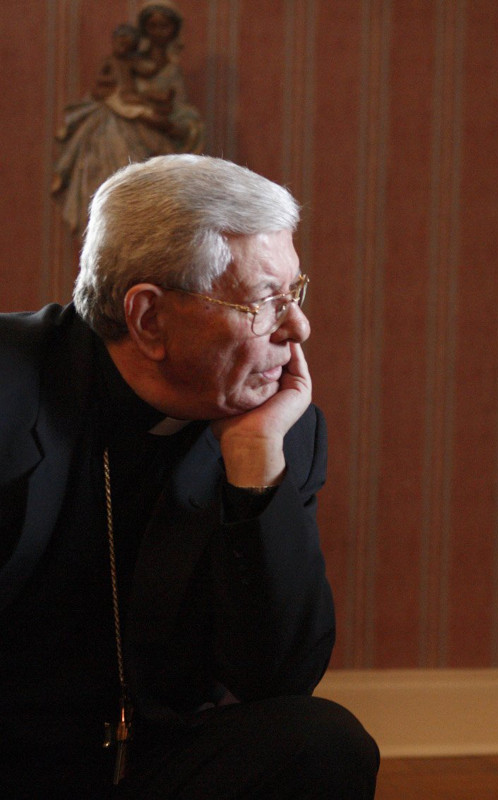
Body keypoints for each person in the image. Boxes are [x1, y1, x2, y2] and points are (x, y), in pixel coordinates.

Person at [1, 154, 378, 797]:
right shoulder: (11, 385)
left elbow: (277, 679)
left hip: (150, 762)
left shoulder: (284, 429)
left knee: (321, 740)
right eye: (266, 300)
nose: (299, 327)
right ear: (149, 319)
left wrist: (255, 464)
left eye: (296, 293)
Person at [52, 0, 203, 234]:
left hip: (150, 141)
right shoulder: (129, 60)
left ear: (174, 30)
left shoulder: (171, 70)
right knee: (110, 199)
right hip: (113, 133)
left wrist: (179, 123)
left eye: (164, 26)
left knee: (145, 207)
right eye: (152, 25)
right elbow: (102, 91)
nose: (158, 32)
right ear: (143, 28)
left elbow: (178, 110)